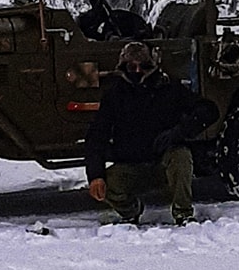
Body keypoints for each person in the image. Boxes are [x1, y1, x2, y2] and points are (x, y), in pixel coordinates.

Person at [85, 41, 219, 226]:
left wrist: (178, 133)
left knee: (181, 156)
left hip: (165, 163)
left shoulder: (169, 89)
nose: (138, 71)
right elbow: (96, 136)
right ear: (124, 67)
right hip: (131, 166)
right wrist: (95, 175)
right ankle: (130, 211)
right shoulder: (115, 96)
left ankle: (183, 214)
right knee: (106, 184)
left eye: (144, 66)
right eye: (132, 66)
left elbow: (208, 110)